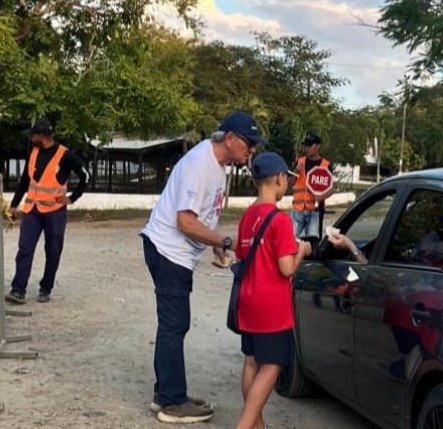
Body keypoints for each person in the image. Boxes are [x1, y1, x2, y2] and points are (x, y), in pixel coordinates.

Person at [141, 110, 264, 424]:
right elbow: (185, 222)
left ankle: (166, 393)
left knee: (174, 324)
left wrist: (211, 242)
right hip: (169, 250)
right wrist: (224, 241)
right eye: (249, 143)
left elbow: (200, 216)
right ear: (231, 139)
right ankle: (171, 401)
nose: (251, 150)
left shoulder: (217, 165)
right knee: (174, 324)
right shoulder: (200, 164)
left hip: (175, 251)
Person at [234, 152, 312, 429]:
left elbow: (241, 256)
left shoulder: (247, 216)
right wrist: (301, 249)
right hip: (271, 306)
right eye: (287, 179)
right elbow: (287, 268)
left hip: (248, 301)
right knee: (272, 366)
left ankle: (257, 425)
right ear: (279, 179)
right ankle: (244, 425)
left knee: (252, 362)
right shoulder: (279, 220)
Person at [5, 119, 88, 305]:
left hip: (55, 211)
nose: (31, 138)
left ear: (42, 136)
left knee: (53, 250)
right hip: (32, 210)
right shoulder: (33, 152)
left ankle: (46, 287)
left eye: (33, 135)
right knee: (25, 248)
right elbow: (25, 180)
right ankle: (18, 289)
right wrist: (14, 204)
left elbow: (85, 176)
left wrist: (72, 198)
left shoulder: (65, 155)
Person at [290, 133, 334, 238]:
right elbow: (289, 183)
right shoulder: (300, 162)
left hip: (315, 212)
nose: (307, 148)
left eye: (310, 145)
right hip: (297, 211)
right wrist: (296, 171)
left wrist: (322, 197)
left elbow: (332, 188)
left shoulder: (326, 165)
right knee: (289, 241)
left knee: (312, 244)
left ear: (318, 146)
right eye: (306, 145)